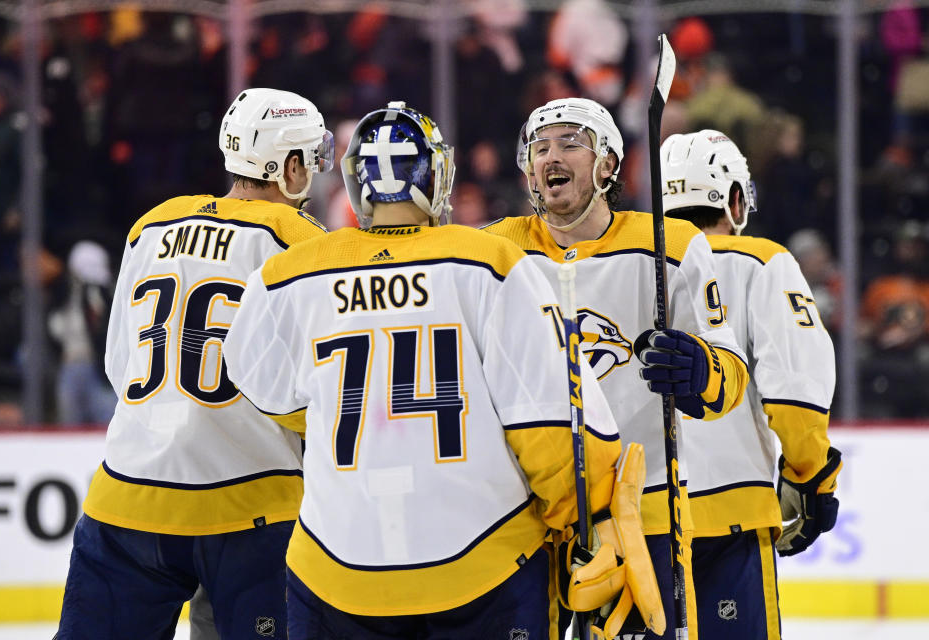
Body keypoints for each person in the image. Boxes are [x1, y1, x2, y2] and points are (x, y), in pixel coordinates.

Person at [223, 101, 664, 640]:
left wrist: (346, 413)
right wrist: (580, 517)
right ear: (435, 175)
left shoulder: (289, 272)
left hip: (335, 569)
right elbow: (550, 423)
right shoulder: (490, 261)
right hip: (485, 562)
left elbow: (257, 380)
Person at [55, 88, 334, 640]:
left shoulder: (151, 225)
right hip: (250, 506)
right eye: (311, 157)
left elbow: (120, 364)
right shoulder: (301, 243)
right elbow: (314, 394)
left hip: (128, 497)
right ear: (291, 165)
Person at [483, 97, 751, 640]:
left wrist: (698, 371)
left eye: (570, 143)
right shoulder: (492, 250)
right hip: (519, 519)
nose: (550, 157)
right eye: (540, 147)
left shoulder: (670, 245)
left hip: (641, 510)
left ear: (608, 165)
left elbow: (729, 376)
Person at [660, 129, 841, 640]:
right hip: (729, 516)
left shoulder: (620, 265)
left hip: (637, 521)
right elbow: (796, 391)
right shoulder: (761, 260)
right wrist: (813, 478)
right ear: (735, 199)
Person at [48, 240, 117, 425]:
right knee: (70, 421)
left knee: (108, 419)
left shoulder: (106, 294)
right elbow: (56, 328)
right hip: (71, 362)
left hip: (101, 366)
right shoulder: (65, 295)